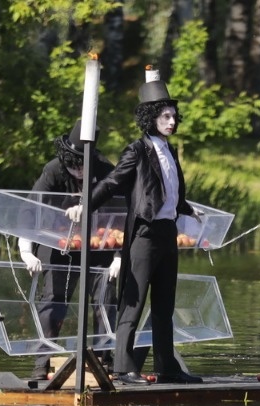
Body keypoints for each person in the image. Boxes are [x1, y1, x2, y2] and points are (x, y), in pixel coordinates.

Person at [66, 74, 202, 385]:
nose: (172, 121)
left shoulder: (170, 150)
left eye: (173, 116)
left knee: (165, 305)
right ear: (150, 117)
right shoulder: (137, 150)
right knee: (134, 299)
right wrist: (87, 204)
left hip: (168, 233)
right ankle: (124, 368)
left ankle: (167, 367)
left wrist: (188, 208)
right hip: (144, 233)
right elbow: (112, 182)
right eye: (165, 116)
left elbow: (170, 191)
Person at [19, 120, 117, 380]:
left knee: (105, 299)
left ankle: (103, 361)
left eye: (84, 164)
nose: (79, 170)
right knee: (52, 300)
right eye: (75, 164)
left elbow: (121, 216)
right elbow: (31, 210)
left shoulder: (107, 171)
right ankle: (42, 362)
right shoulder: (52, 171)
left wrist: (119, 256)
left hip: (99, 244)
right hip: (57, 241)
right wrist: (26, 251)